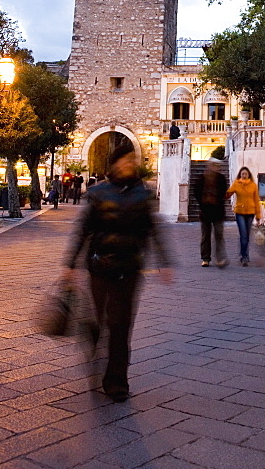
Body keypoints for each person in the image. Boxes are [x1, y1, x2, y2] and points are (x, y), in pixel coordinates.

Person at [62, 143, 172, 401]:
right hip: (100, 265)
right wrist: (69, 265)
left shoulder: (143, 195)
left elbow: (153, 230)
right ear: (113, 164)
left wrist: (165, 261)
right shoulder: (98, 193)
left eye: (131, 160)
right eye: (122, 160)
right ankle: (93, 341)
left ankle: (117, 382)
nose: (127, 164)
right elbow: (83, 230)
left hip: (130, 267)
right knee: (100, 322)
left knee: (121, 326)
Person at [194, 158, 228, 267]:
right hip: (205, 212)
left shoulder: (221, 178)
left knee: (219, 235)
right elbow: (196, 191)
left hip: (218, 212)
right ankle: (205, 258)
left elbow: (223, 192)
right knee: (205, 236)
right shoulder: (202, 178)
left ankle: (219, 258)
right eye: (212, 165)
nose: (214, 167)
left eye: (216, 165)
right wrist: (203, 202)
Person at [226, 167, 262, 266]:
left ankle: (244, 254)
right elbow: (229, 193)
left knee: (247, 235)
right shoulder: (237, 184)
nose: (244, 175)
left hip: (250, 212)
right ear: (240, 175)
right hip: (240, 212)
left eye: (246, 174)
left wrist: (258, 215)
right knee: (244, 234)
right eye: (242, 174)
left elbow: (256, 200)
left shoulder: (253, 185)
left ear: (248, 175)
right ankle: (244, 256)